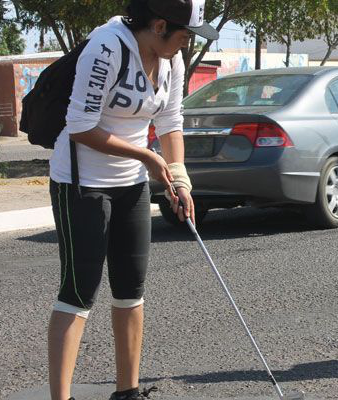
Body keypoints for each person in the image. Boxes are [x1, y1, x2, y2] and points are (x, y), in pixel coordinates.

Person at [46, 1, 218, 399]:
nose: (186, 46)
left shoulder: (171, 64)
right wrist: (147, 156)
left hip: (131, 186)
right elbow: (80, 127)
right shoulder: (107, 48)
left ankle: (127, 391)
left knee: (130, 289)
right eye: (184, 36)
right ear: (159, 25)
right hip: (80, 182)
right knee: (79, 290)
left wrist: (180, 180)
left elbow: (170, 122)